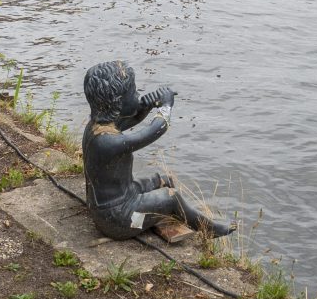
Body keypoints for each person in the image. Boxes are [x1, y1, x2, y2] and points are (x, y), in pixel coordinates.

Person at [80, 60, 233, 241]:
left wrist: (146, 105)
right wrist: (166, 106)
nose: (137, 94)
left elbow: (128, 120)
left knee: (163, 181)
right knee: (171, 197)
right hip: (118, 220)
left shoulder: (96, 127)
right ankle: (209, 228)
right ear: (118, 101)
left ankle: (171, 214)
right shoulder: (107, 142)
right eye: (133, 92)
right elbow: (155, 130)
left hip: (119, 199)